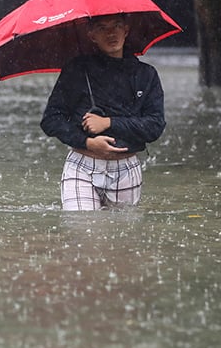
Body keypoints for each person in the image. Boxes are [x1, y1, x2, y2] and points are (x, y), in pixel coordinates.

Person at [40, 14, 166, 210]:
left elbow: (155, 126)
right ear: (91, 35)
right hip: (81, 165)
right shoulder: (76, 70)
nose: (111, 34)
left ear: (126, 30)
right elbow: (51, 120)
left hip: (126, 168)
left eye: (116, 26)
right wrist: (87, 142)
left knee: (121, 230)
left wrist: (109, 123)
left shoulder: (146, 74)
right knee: (81, 224)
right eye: (102, 28)